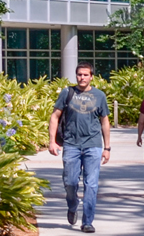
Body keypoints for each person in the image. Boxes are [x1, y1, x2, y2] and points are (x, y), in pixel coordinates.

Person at [48, 63, 110, 233]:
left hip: (93, 145)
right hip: (71, 145)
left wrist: (107, 148)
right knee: (70, 182)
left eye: (85, 75)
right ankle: (73, 204)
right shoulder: (67, 93)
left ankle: (87, 222)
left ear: (91, 77)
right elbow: (55, 116)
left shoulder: (99, 95)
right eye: (79, 75)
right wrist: (52, 141)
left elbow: (105, 121)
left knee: (91, 185)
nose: (82, 78)